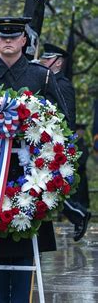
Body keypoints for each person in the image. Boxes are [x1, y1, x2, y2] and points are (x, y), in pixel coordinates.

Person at [0, 17, 69, 302]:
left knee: (24, 246)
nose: (8, 40)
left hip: (28, 176)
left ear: (24, 41)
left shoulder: (41, 77)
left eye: (14, 36)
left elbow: (62, 124)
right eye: (2, 36)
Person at [39, 43, 92, 241]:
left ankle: (78, 214)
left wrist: (61, 140)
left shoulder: (63, 84)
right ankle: (78, 214)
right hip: (46, 140)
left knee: (51, 185)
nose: (43, 61)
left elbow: (68, 116)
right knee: (49, 185)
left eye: (47, 58)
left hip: (57, 142)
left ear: (58, 62)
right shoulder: (47, 81)